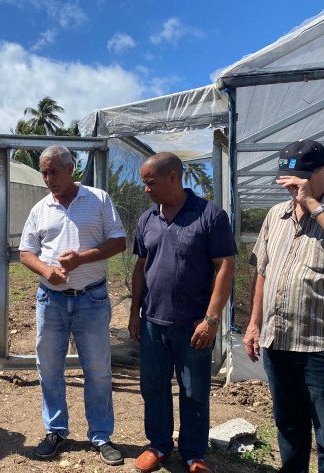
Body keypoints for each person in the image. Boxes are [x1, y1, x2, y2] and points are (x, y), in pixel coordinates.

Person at [19, 145, 127, 466]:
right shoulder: (41, 209)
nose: (48, 178)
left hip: (91, 297)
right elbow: (26, 252)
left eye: (54, 171)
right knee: (49, 367)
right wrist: (46, 270)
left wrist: (82, 258)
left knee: (97, 369)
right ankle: (56, 430)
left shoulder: (98, 199)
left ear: (70, 169)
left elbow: (119, 241)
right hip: (50, 299)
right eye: (44, 172)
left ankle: (101, 435)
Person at [128, 152, 236, 473]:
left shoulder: (209, 216)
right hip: (153, 324)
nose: (146, 189)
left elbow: (225, 266)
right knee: (153, 387)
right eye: (144, 184)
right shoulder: (148, 219)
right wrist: (135, 312)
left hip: (193, 325)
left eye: (151, 182)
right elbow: (140, 267)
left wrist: (212, 319)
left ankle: (193, 453)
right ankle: (159, 445)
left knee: (194, 390)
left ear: (173, 177)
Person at [244, 139, 324, 473]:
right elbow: (263, 271)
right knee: (289, 426)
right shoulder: (276, 215)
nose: (292, 188)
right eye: (287, 181)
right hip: (278, 342)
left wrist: (312, 202)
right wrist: (253, 323)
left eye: (300, 180)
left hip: (319, 346)